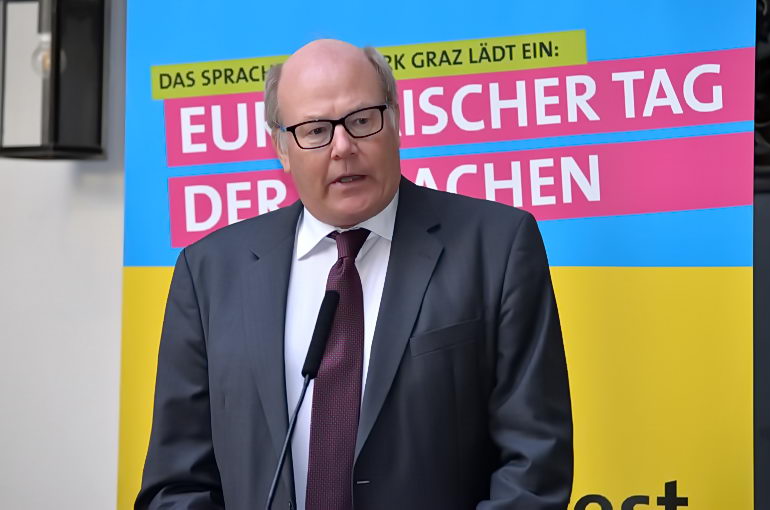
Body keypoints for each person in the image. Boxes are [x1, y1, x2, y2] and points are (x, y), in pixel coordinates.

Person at [136, 39, 573, 510]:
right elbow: (177, 484)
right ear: (282, 148)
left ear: (396, 121)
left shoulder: (496, 246)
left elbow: (533, 466)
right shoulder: (210, 271)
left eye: (362, 120)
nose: (343, 147)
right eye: (315, 130)